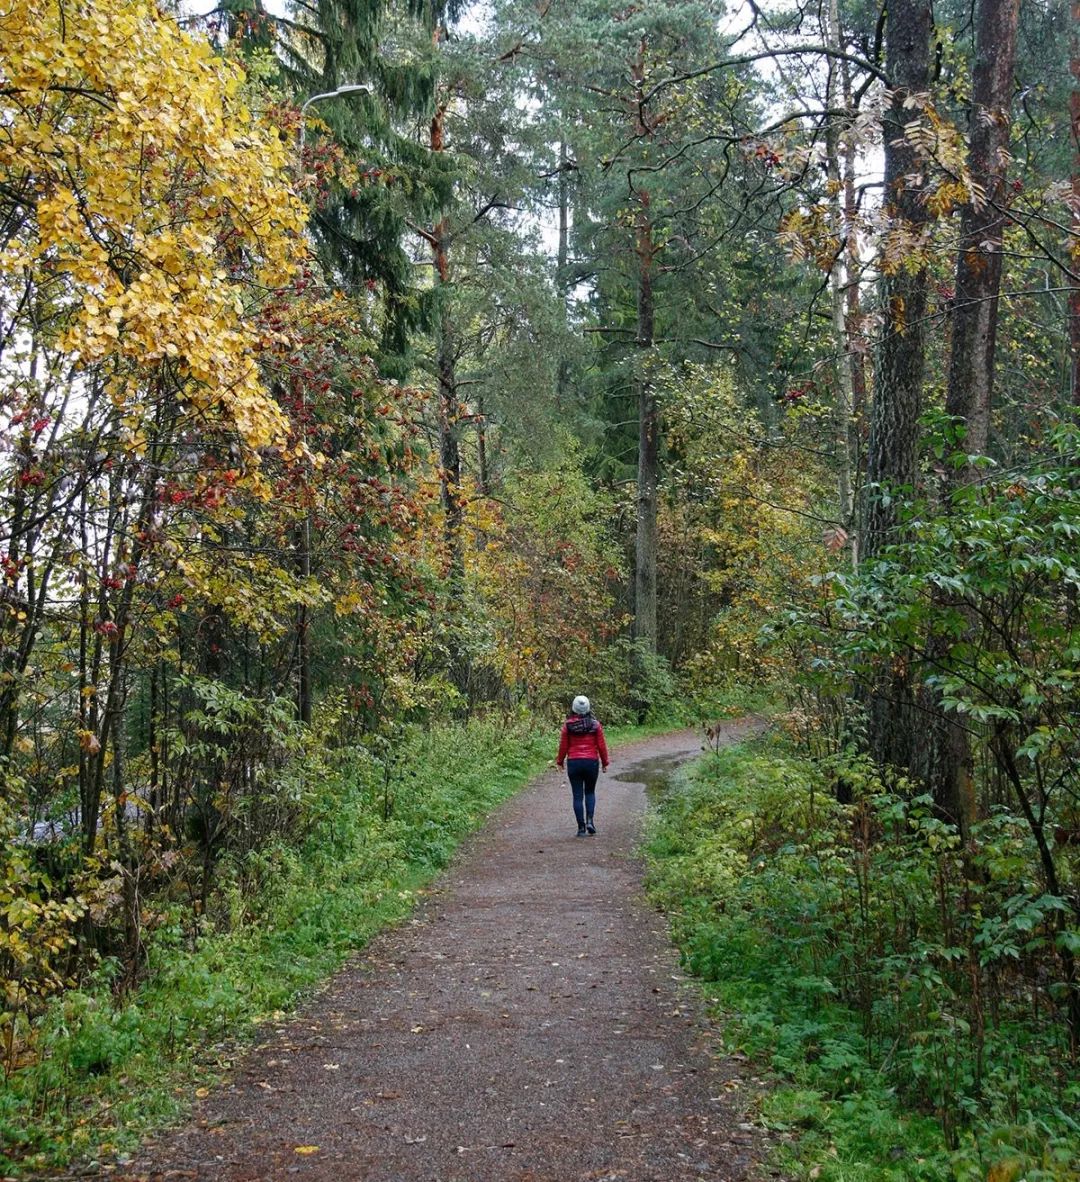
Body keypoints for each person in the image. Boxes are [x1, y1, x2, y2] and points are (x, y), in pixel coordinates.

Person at [556, 695, 610, 837]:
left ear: (573, 708)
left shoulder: (568, 726)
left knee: (577, 796)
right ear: (588, 708)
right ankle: (590, 822)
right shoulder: (595, 725)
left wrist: (560, 762)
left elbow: (563, 746)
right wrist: (605, 763)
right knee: (590, 792)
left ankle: (581, 828)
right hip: (591, 762)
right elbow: (601, 746)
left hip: (574, 762)